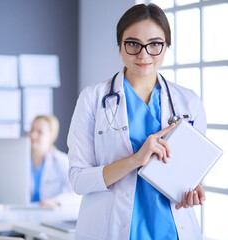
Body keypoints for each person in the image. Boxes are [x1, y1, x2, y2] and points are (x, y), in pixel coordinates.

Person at [67, 4, 206, 240]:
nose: (143, 54)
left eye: (154, 44)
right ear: (120, 45)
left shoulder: (188, 102)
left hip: (172, 231)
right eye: (132, 44)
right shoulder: (93, 98)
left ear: (166, 46)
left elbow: (192, 174)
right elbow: (78, 180)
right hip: (113, 230)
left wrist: (193, 190)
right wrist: (136, 160)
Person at [28, 115, 78, 208]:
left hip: (50, 216)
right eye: (32, 130)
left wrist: (57, 201)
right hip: (22, 214)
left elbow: (76, 193)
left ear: (52, 137)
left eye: (40, 132)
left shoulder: (61, 161)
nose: (33, 135)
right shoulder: (20, 162)